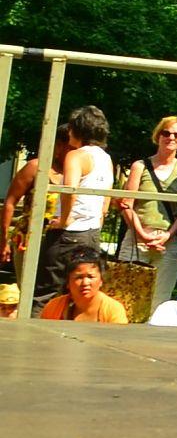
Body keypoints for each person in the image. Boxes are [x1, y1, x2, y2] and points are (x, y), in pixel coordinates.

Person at [34, 106, 113, 314]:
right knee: (81, 296)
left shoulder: (76, 156)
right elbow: (106, 197)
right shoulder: (105, 158)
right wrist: (98, 221)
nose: (68, 132)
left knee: (46, 295)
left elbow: (69, 190)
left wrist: (64, 220)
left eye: (70, 127)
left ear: (78, 129)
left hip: (68, 234)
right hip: (92, 233)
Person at [117, 116, 177, 315]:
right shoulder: (140, 166)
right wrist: (142, 234)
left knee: (159, 305)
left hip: (167, 244)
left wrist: (167, 235)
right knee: (125, 299)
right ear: (158, 135)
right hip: (136, 240)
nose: (171, 137)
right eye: (166, 133)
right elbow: (126, 205)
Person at [1, 124, 70, 281]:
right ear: (59, 146)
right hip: (29, 241)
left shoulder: (76, 173)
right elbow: (10, 202)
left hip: (61, 243)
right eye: (72, 148)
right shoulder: (36, 167)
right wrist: (3, 240)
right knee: (28, 287)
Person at [37, 248, 128, 323]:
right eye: (79, 277)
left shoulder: (113, 310)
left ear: (101, 280)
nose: (85, 283)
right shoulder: (53, 307)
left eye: (90, 277)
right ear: (68, 282)